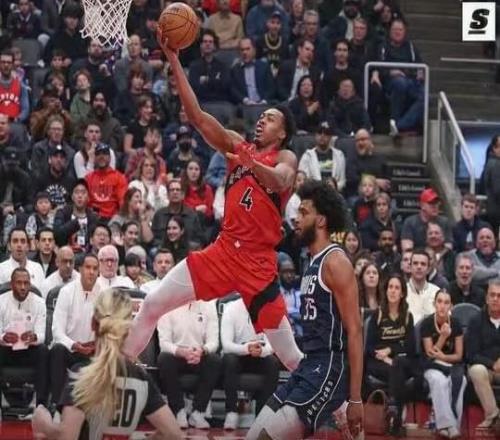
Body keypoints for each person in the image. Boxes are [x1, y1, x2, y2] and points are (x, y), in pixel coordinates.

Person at [123, 32, 303, 373]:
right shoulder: (238, 147)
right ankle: (118, 373)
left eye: (270, 118)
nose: (261, 120)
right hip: (222, 252)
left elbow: (280, 180)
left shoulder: (285, 156)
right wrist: (173, 59)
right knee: (152, 305)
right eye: (261, 116)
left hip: (257, 263)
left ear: (282, 133)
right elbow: (197, 116)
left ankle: (337, 403)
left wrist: (253, 165)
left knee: (291, 356)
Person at [246, 180, 363, 439]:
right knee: (253, 435)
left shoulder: (336, 262)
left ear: (321, 221)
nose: (296, 219)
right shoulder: (311, 262)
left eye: (303, 212)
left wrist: (355, 398)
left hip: (329, 368)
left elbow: (355, 331)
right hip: (308, 365)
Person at [32, 288, 183, 439]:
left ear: (93, 323)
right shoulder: (141, 378)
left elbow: (67, 437)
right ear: (127, 329)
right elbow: (174, 434)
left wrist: (45, 425)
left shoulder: (82, 374)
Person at [365, 273, 417, 436]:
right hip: (378, 361)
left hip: (400, 361)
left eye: (397, 288)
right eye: (390, 287)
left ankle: (393, 409)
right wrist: (385, 356)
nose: (393, 291)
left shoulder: (407, 316)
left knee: (398, 365)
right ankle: (396, 419)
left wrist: (390, 351)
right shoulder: (377, 314)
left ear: (402, 293)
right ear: (386, 291)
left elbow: (410, 347)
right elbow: (369, 347)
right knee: (397, 369)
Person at [421, 290, 466, 439]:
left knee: (461, 380)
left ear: (451, 306)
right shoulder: (427, 323)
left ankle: (452, 426)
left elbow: (459, 355)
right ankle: (449, 425)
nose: (442, 306)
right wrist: (443, 337)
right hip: (431, 366)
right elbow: (430, 355)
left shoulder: (456, 323)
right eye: (439, 301)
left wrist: (444, 357)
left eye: (446, 303)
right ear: (434, 304)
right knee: (439, 380)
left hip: (450, 364)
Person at [0, 268, 48, 406]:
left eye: (26, 283)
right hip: (7, 350)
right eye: (19, 283)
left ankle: (41, 404)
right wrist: (4, 337)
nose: (22, 287)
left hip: (29, 350)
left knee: (43, 350)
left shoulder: (39, 302)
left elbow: (42, 335)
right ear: (11, 284)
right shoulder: (1, 301)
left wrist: (34, 337)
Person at [466, 278, 500, 429]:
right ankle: (494, 417)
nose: (495, 299)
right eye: (492, 295)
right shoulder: (476, 321)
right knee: (476, 370)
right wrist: (493, 364)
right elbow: (471, 355)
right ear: (486, 298)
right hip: (486, 369)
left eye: (499, 296)